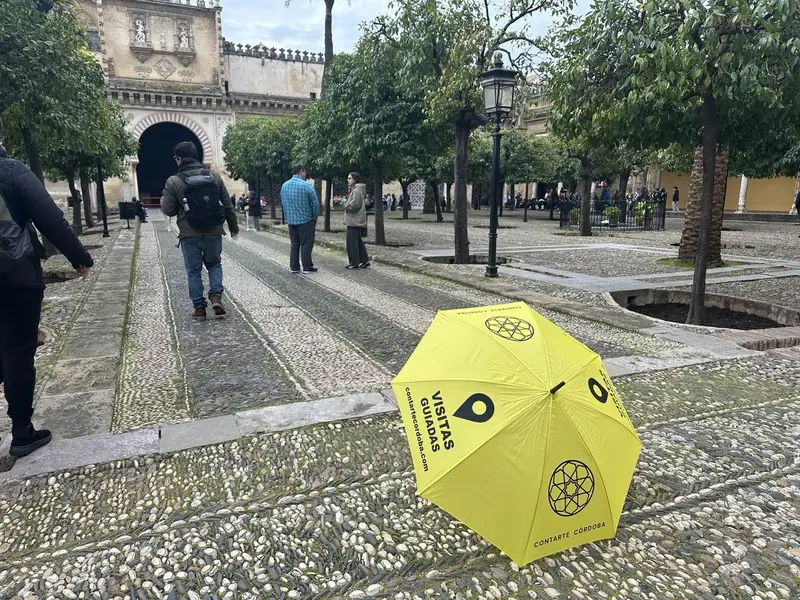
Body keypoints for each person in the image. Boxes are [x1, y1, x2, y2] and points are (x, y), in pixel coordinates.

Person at [0, 146, 94, 456]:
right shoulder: (11, 170)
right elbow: (48, 216)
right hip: (14, 273)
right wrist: (78, 257)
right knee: (17, 351)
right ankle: (22, 432)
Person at [161, 141, 239, 321]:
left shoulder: (173, 181)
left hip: (189, 234)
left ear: (178, 159)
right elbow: (228, 205)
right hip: (213, 230)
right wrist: (233, 228)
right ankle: (216, 297)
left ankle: (199, 308)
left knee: (194, 271)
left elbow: (169, 210)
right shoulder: (214, 176)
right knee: (214, 264)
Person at [280, 164, 319, 274]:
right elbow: (315, 204)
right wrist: (314, 216)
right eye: (304, 172)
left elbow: (283, 202)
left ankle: (294, 267)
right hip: (306, 219)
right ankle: (307, 266)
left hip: (291, 220)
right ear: (301, 171)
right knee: (306, 243)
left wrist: (288, 215)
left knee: (294, 243)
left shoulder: (284, 186)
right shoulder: (307, 186)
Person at [344, 172, 370, 269]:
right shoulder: (355, 190)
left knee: (352, 242)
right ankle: (364, 260)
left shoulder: (356, 191)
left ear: (355, 179)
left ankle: (354, 262)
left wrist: (345, 204)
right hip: (355, 220)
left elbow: (355, 205)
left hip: (354, 220)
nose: (348, 180)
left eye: (350, 178)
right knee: (358, 241)